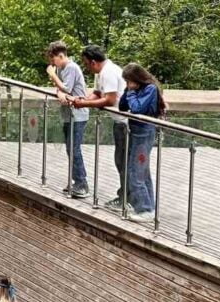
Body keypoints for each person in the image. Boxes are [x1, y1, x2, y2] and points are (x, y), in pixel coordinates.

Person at [71, 45, 127, 209]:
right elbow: (97, 93)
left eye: (86, 64)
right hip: (118, 121)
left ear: (93, 62)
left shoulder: (109, 72)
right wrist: (83, 99)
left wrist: (84, 104)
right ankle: (124, 196)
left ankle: (126, 199)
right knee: (120, 161)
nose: (86, 68)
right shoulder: (101, 73)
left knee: (124, 162)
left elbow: (109, 99)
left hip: (126, 122)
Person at [118, 63, 166, 223]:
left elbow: (137, 109)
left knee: (135, 172)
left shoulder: (150, 89)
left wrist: (131, 92)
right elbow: (122, 107)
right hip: (135, 131)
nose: (128, 84)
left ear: (136, 78)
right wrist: (128, 91)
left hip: (144, 133)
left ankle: (144, 209)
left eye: (129, 81)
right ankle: (149, 207)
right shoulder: (135, 90)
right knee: (142, 172)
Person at [46, 41, 89, 198]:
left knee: (74, 149)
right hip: (68, 114)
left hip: (77, 115)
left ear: (61, 55)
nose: (52, 63)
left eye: (54, 60)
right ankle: (76, 180)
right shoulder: (63, 68)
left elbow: (66, 88)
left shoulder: (70, 67)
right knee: (70, 148)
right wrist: (59, 92)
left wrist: (52, 74)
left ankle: (81, 183)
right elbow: (61, 90)